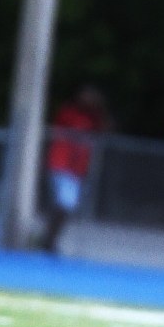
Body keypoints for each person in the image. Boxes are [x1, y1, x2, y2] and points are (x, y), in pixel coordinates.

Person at [42, 84, 112, 252]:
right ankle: (48, 239)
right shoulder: (68, 112)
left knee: (68, 204)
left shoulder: (93, 118)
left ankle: (49, 238)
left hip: (76, 169)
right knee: (65, 202)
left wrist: (99, 109)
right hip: (60, 164)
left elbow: (106, 129)